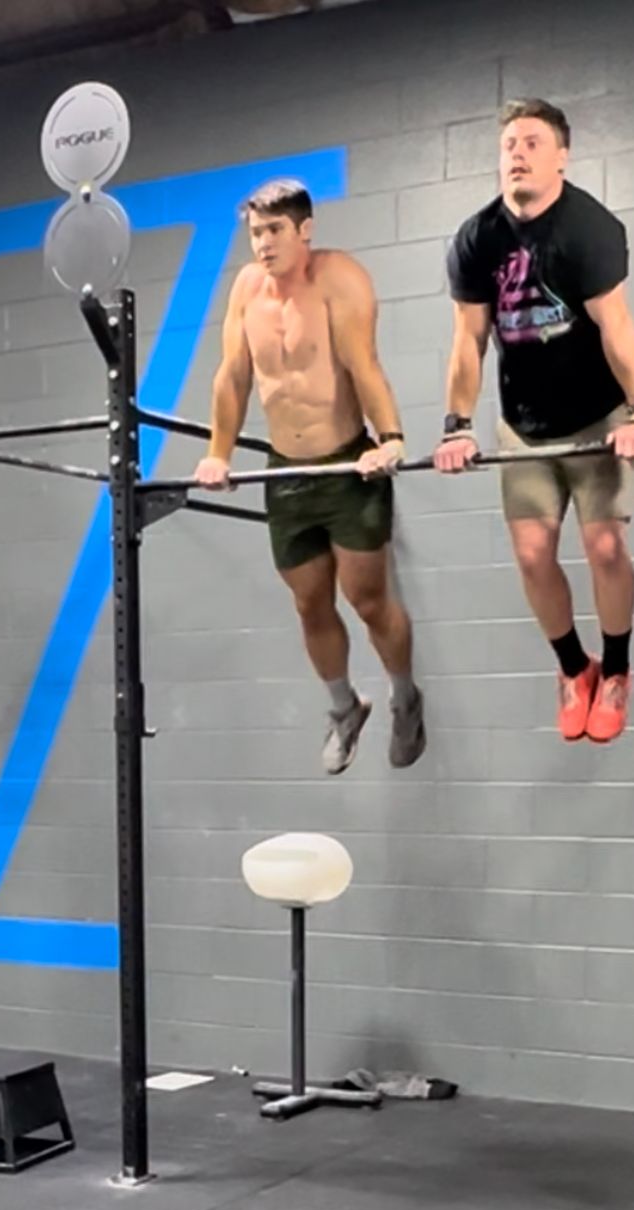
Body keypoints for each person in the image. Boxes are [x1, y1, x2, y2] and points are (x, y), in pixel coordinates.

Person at [435, 99, 634, 744]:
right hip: (524, 425)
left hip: (598, 417)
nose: (517, 152)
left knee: (605, 546)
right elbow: (467, 343)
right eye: (508, 143)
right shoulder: (478, 239)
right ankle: (573, 668)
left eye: (532, 141)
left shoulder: (588, 226)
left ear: (561, 155)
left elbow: (616, 329)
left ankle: (615, 669)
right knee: (533, 557)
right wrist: (457, 424)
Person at [193, 179, 426, 775]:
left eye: (274, 231)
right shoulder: (246, 289)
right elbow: (233, 376)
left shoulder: (339, 278)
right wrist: (218, 453)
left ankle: (404, 697)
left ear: (305, 229)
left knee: (368, 600)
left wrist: (392, 436)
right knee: (309, 604)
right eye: (255, 234)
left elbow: (362, 364)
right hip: (285, 470)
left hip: (347, 461)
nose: (263, 245)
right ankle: (346, 708)